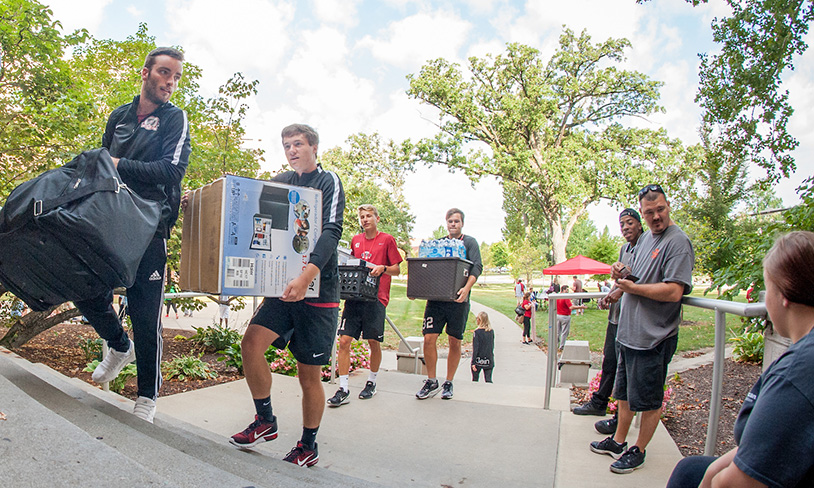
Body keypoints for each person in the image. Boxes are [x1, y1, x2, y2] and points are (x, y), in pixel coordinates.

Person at [73, 47, 191, 423]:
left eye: (175, 77)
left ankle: (146, 399)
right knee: (84, 286)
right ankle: (119, 346)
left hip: (150, 226)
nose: (170, 82)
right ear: (145, 74)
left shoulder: (175, 119)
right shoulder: (119, 117)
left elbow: (171, 171)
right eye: (164, 73)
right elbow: (102, 168)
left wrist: (120, 165)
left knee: (145, 314)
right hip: (110, 221)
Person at [229, 124, 344, 468]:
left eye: (298, 144)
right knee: (250, 344)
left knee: (308, 374)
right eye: (287, 145)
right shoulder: (282, 179)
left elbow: (331, 232)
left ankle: (308, 445)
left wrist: (307, 274)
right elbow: (250, 208)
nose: (292, 150)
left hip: (317, 291)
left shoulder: (328, 182)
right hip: (283, 288)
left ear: (314, 147)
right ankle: (265, 420)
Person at [667, 231, 814, 488]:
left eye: (767, 288)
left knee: (690, 476)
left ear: (784, 295)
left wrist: (712, 481)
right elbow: (768, 447)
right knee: (691, 469)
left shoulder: (796, 375)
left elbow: (738, 484)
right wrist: (713, 470)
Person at [589, 184, 694, 474]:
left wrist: (634, 287)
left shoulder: (677, 242)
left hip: (654, 336)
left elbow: (674, 291)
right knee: (622, 393)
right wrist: (620, 276)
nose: (656, 216)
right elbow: (635, 277)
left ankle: (639, 449)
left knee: (649, 399)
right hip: (629, 333)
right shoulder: (646, 238)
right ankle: (619, 440)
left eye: (660, 209)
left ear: (668, 205)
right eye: (649, 212)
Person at [573, 209, 644, 433]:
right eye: (622, 224)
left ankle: (618, 416)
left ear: (640, 224)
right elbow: (621, 280)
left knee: (625, 368)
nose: (625, 228)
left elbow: (636, 279)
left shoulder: (646, 247)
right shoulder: (625, 249)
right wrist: (609, 296)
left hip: (632, 320)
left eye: (630, 223)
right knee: (609, 361)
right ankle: (599, 402)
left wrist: (619, 292)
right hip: (616, 318)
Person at [327, 204, 403, 407]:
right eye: (362, 216)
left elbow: (397, 269)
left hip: (376, 298)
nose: (365, 219)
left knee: (373, 342)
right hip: (354, 296)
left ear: (377, 219)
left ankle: (372, 382)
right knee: (344, 341)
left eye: (369, 216)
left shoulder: (387, 240)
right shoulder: (356, 240)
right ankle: (343, 388)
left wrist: (383, 268)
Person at [416, 208, 483, 400]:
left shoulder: (469, 242)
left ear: (462, 223)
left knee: (455, 340)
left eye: (456, 221)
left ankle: (449, 382)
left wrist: (466, 289)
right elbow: (428, 269)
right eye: (450, 221)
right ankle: (431, 381)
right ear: (446, 223)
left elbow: (477, 267)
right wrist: (418, 289)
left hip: (458, 301)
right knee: (429, 339)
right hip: (436, 301)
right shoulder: (438, 244)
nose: (453, 224)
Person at [555, 284, 586, 350]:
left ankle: (556, 344)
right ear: (563, 290)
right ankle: (562, 346)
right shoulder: (565, 297)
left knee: (558, 332)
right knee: (564, 332)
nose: (567, 291)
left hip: (558, 315)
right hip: (565, 316)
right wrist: (581, 307)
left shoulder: (557, 296)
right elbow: (571, 307)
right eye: (567, 290)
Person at [471, 311, 494, 382]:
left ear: (480, 320)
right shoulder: (491, 331)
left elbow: (476, 348)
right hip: (488, 359)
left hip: (478, 359)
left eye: (477, 318)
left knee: (475, 380)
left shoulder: (477, 332)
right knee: (488, 379)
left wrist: (473, 362)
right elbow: (491, 346)